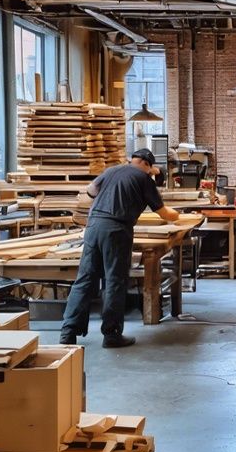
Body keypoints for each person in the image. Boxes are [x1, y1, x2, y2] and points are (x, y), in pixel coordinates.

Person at [60, 149, 180, 348]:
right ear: (146, 164)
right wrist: (180, 215)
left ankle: (68, 333)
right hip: (116, 229)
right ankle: (112, 334)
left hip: (93, 226)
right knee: (115, 280)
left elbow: (91, 191)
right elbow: (164, 213)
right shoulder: (144, 178)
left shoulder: (112, 170)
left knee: (85, 279)